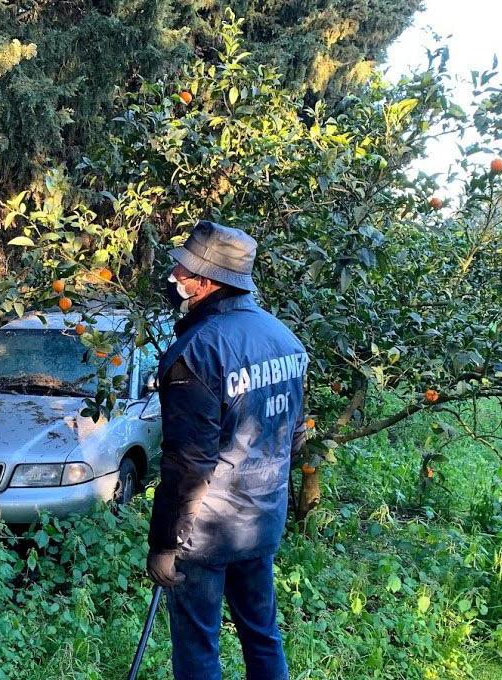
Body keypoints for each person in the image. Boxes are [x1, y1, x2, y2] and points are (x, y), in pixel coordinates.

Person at [147, 221, 308, 680]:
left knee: (199, 647)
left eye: (182, 269)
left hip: (206, 532)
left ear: (206, 282)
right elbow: (295, 434)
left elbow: (187, 462)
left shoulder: (197, 350)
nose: (174, 275)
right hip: (262, 520)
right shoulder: (284, 339)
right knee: (262, 635)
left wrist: (162, 544)